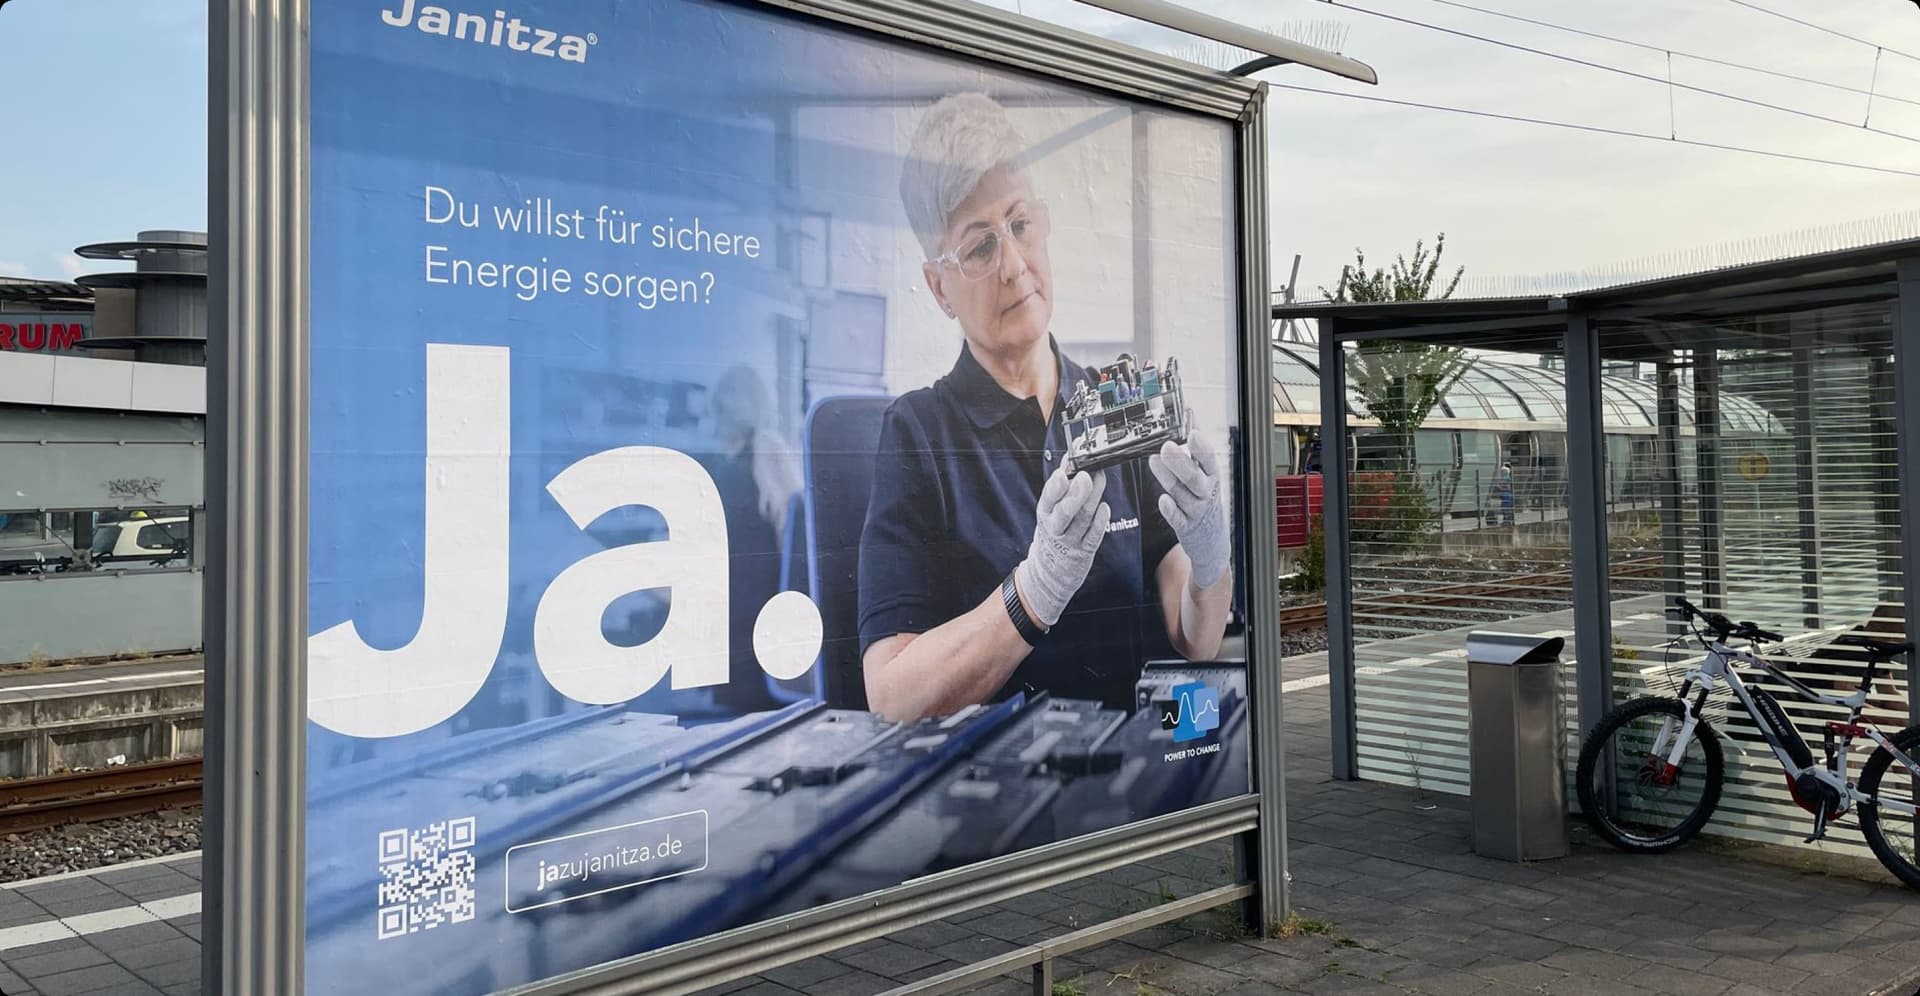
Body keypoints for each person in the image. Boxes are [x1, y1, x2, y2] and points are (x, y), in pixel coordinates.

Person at [857, 93, 1234, 724]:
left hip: (1127, 775)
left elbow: (1194, 635)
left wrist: (1210, 553)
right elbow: (892, 695)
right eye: (979, 248)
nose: (1013, 265)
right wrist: (1035, 590)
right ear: (938, 286)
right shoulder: (918, 435)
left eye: (1021, 225)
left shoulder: (1116, 413)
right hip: (996, 800)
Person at [702, 364, 802, 713]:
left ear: (728, 415)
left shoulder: (728, 476)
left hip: (740, 647)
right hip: (780, 642)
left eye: (715, 416)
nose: (712, 428)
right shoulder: (779, 465)